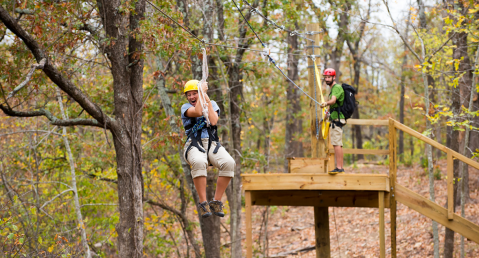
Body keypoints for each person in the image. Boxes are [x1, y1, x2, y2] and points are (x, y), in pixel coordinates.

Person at [181, 79, 235, 218]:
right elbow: (198, 111)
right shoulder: (185, 108)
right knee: (199, 162)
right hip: (195, 144)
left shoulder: (213, 104)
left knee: (229, 163)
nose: (192, 97)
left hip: (212, 144)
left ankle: (216, 201)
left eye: (195, 94)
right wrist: (201, 92)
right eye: (189, 94)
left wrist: (206, 98)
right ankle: (203, 203)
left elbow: (213, 121)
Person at [320, 68, 345, 174]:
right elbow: (333, 105)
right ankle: (339, 167)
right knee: (335, 143)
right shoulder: (332, 89)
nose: (327, 79)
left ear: (334, 77)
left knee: (337, 143)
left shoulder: (336, 87)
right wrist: (325, 116)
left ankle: (339, 168)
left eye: (329, 77)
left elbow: (333, 100)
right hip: (334, 118)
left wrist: (326, 103)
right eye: (325, 77)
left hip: (337, 119)